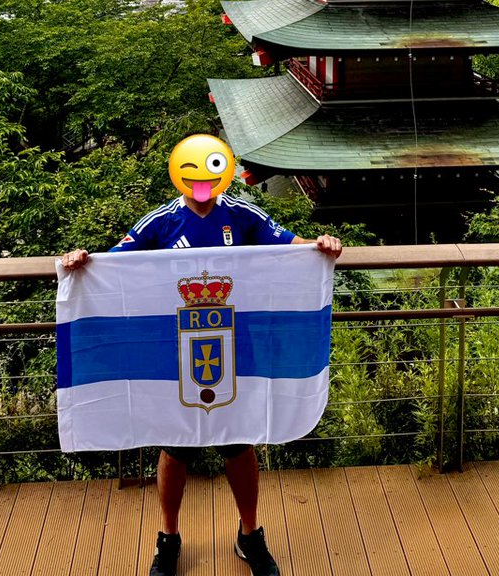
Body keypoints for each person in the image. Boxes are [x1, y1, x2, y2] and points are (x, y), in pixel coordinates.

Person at [61, 134, 342, 576]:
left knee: (239, 442)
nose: (202, 183)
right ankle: (168, 538)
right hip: (176, 350)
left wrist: (319, 245)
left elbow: (291, 245)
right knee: (175, 446)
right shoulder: (161, 221)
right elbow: (114, 264)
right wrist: (82, 259)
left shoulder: (242, 213)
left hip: (235, 346)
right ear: (179, 174)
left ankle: (250, 535)